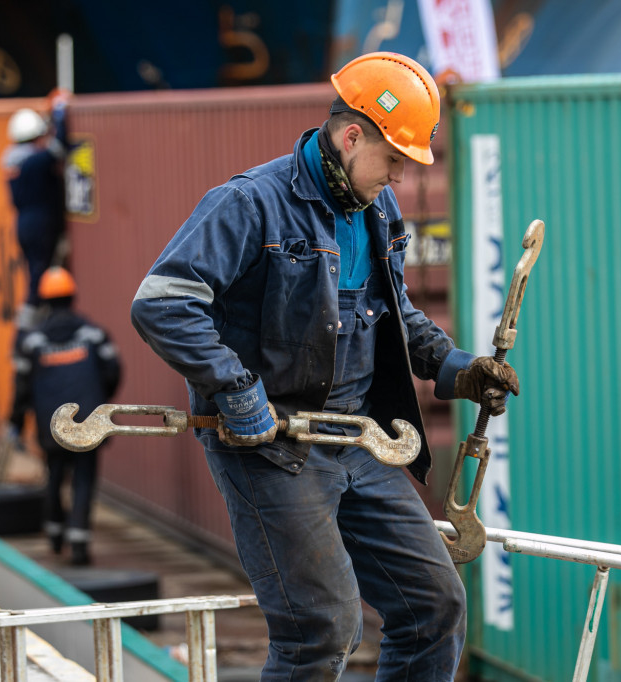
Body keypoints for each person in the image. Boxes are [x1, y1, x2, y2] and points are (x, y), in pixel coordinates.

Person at [130, 52, 520, 680]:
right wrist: (235, 388)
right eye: (393, 160)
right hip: (272, 446)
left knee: (436, 606)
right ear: (352, 135)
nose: (397, 177)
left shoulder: (379, 212)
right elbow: (163, 302)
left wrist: (456, 369)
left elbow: (396, 314)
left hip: (358, 439)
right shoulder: (249, 204)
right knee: (323, 628)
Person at [8, 266, 121, 566]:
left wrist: (16, 422)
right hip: (87, 419)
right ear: (73, 296)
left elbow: (21, 385)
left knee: (54, 475)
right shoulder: (92, 334)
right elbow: (113, 371)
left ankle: (55, 534)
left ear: (45, 300)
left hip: (51, 422)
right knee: (84, 477)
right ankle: (80, 543)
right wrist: (100, 403)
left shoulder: (32, 341)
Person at [1, 90, 70, 329]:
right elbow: (59, 147)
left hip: (24, 224)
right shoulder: (35, 161)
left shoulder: (14, 159)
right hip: (41, 223)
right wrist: (61, 110)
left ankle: (37, 318)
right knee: (40, 276)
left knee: (36, 273)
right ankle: (28, 328)